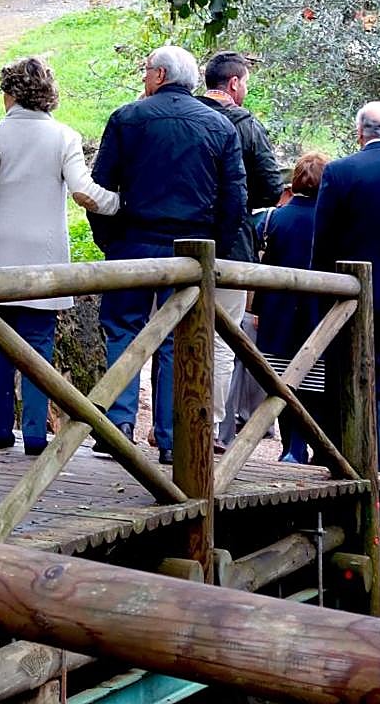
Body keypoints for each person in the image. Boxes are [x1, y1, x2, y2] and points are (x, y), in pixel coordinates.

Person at [0, 58, 120, 455]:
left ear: (10, 93)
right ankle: (36, 436)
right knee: (38, 347)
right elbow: (84, 191)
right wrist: (119, 204)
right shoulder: (64, 136)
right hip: (43, 257)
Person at [89, 45, 245, 465]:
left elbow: (101, 189)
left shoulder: (127, 118)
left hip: (134, 242)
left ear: (159, 75)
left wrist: (111, 241)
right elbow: (235, 199)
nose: (144, 78)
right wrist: (213, 249)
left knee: (123, 329)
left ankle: (118, 426)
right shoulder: (220, 126)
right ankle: (173, 436)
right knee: (179, 338)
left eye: (146, 71)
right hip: (191, 250)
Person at [311, 101, 380, 471]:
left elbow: (323, 243)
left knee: (344, 377)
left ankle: (343, 462)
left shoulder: (340, 172)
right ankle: (378, 466)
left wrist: (321, 296)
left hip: (349, 296)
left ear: (360, 132)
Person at [198, 51, 285, 450]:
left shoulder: (185, 115)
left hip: (176, 242)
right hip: (231, 246)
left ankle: (167, 425)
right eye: (245, 82)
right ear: (234, 83)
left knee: (169, 335)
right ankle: (211, 425)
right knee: (221, 338)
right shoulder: (246, 126)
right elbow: (270, 186)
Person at [255, 151, 328, 463]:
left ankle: (291, 447)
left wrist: (258, 310)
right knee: (315, 383)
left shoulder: (274, 219)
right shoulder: (331, 222)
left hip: (277, 313)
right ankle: (318, 448)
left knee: (282, 382)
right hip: (319, 315)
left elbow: (264, 266)